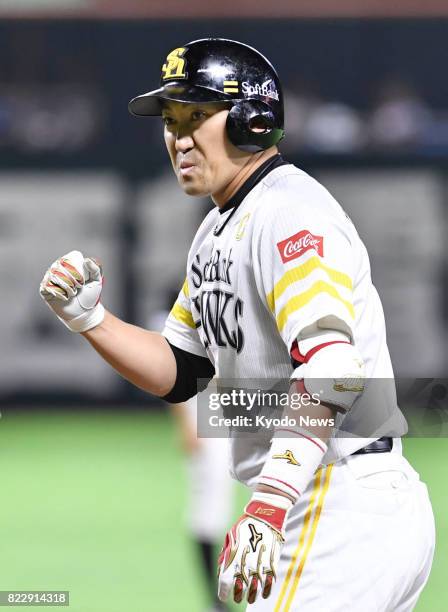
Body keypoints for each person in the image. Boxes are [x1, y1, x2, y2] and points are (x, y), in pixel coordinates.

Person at [40, 38, 435, 611]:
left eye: (197, 115)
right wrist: (91, 321)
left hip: (333, 502)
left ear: (253, 121)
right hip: (336, 503)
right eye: (171, 120)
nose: (179, 136)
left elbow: (334, 367)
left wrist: (269, 503)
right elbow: (182, 371)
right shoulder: (219, 229)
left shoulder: (288, 213)